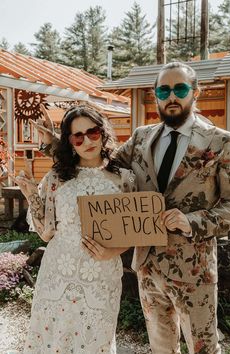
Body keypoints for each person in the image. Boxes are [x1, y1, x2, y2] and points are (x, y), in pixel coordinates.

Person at [33, 62, 230, 354]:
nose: (171, 96)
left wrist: (191, 220)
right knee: (161, 348)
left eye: (180, 88)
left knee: (203, 349)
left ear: (195, 92)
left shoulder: (219, 141)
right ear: (155, 95)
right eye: (163, 90)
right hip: (148, 267)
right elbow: (99, 161)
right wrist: (57, 145)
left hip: (194, 270)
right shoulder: (141, 137)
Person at [14, 104, 136, 354]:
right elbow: (46, 232)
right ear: (69, 141)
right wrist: (31, 195)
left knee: (96, 343)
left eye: (92, 132)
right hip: (58, 276)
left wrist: (113, 252)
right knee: (53, 343)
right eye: (78, 136)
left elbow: (134, 231)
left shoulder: (125, 178)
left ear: (103, 132)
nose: (87, 141)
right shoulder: (57, 178)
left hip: (101, 277)